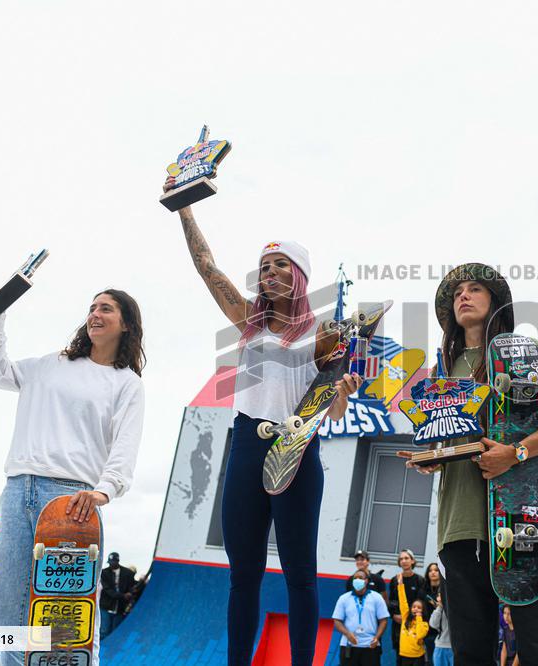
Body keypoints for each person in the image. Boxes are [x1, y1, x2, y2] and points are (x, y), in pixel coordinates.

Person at [165, 181, 359, 666]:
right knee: (243, 575)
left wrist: (342, 390)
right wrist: (185, 209)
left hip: (298, 451)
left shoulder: (324, 332)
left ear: (300, 275)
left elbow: (333, 410)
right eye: (264, 266)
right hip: (248, 449)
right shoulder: (247, 320)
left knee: (300, 574)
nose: (269, 272)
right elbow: (208, 268)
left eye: (280, 265)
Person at [399, 263, 538, 665]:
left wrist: (515, 453)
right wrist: (433, 458)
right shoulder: (440, 373)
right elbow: (449, 440)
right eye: (457, 293)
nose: (463, 296)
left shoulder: (526, 354)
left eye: (474, 289)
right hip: (459, 526)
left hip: (526, 521)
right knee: (470, 654)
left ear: (496, 301)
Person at [0, 289, 146, 666]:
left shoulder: (126, 383)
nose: (95, 314)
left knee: (68, 614)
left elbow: (126, 444)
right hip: (17, 489)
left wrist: (105, 490)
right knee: (4, 604)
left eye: (106, 308)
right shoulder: (50, 365)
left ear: (126, 324)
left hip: (70, 500)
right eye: (92, 307)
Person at [332, 570, 390, 666]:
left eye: (361, 578)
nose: (357, 580)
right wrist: (347, 634)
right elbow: (337, 620)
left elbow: (383, 620)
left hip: (370, 645)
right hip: (349, 644)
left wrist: (377, 637)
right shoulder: (344, 598)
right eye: (355, 578)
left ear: (366, 580)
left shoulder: (377, 597)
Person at [387, 550, 424, 664]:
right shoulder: (395, 580)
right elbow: (391, 601)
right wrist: (394, 615)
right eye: (401, 559)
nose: (404, 561)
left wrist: (413, 617)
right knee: (399, 656)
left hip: (414, 624)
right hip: (399, 624)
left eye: (406, 558)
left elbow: (421, 603)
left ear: (412, 561)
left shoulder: (420, 580)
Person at [99, 552, 135, 640]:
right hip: (106, 606)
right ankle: (102, 647)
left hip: (120, 608)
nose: (111, 565)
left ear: (118, 561)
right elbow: (107, 590)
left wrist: (130, 594)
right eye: (110, 563)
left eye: (113, 562)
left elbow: (132, 586)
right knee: (104, 631)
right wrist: (123, 596)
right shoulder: (104, 573)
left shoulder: (128, 573)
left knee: (115, 632)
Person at [395, 572, 428, 666]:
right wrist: (400, 585)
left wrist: (419, 618)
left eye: (419, 608)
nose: (416, 609)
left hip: (418, 657)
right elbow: (403, 600)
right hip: (404, 655)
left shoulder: (424, 624)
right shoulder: (405, 616)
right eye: (414, 607)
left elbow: (420, 635)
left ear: (423, 611)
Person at [422, 563, 443, 660]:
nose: (433, 572)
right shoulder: (422, 591)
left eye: (436, 570)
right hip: (426, 632)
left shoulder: (445, 591)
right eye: (430, 570)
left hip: (441, 632)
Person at [428, 588, 452, 666]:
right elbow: (433, 624)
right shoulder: (439, 610)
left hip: (455, 647)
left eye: (441, 595)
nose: (439, 598)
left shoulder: (456, 609)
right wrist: (439, 608)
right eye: (438, 595)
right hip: (441, 646)